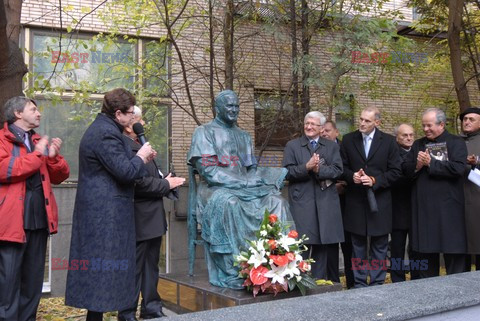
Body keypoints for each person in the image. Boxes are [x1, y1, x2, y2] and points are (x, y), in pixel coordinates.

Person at [65, 88, 156, 320]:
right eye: (130, 112)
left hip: (104, 214)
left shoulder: (106, 129)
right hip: (104, 215)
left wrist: (140, 157)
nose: (133, 117)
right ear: (118, 113)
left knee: (102, 276)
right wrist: (141, 157)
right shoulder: (105, 133)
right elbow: (125, 172)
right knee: (101, 274)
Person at [187, 90, 292, 289]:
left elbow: (251, 169)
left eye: (236, 106)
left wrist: (267, 177)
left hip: (246, 189)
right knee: (230, 203)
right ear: (217, 108)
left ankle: (279, 264)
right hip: (214, 189)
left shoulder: (243, 136)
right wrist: (243, 183)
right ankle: (236, 268)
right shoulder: (204, 132)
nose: (234, 110)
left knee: (277, 201)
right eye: (229, 106)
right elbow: (209, 172)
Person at [0, 96, 70, 321]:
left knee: (33, 281)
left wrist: (53, 157)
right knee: (7, 283)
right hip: (11, 222)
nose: (39, 113)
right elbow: (6, 170)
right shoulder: (2, 140)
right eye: (33, 109)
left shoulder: (39, 140)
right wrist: (39, 154)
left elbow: (61, 176)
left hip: (39, 218)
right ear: (18, 114)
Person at [117, 107, 185, 321]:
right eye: (138, 119)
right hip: (138, 217)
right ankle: (127, 312)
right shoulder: (124, 147)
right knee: (135, 268)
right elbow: (137, 183)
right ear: (128, 124)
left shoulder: (141, 145)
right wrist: (166, 183)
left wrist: (165, 178)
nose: (143, 123)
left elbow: (150, 177)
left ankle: (151, 307)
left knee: (151, 266)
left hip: (153, 217)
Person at [340, 107, 402, 288]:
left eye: (367, 121)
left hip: (380, 203)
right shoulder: (349, 139)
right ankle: (359, 284)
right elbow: (341, 167)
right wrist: (352, 176)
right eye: (361, 119)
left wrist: (375, 179)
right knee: (357, 247)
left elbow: (396, 171)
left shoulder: (389, 142)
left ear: (377, 122)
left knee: (380, 247)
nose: (362, 123)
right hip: (356, 202)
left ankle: (377, 283)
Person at [403, 108, 467, 278]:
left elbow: (459, 168)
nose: (425, 129)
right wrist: (417, 165)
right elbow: (405, 171)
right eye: (423, 126)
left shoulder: (456, 142)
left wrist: (431, 163)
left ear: (441, 124)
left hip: (449, 209)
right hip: (423, 211)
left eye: (429, 125)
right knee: (425, 259)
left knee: (454, 258)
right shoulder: (418, 144)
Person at [283, 113, 344, 280]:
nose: (309, 127)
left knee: (322, 247)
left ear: (321, 128)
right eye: (306, 123)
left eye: (313, 124)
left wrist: (319, 170)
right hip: (302, 203)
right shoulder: (293, 146)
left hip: (325, 204)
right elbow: (286, 172)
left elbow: (338, 170)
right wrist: (306, 167)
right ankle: (299, 285)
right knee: (301, 247)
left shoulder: (331, 147)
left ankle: (319, 285)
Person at [390, 123, 415, 282]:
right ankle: (398, 280)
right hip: (397, 207)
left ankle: (418, 277)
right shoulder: (392, 153)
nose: (409, 138)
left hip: (416, 208)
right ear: (396, 137)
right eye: (404, 135)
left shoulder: (419, 151)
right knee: (397, 247)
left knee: (415, 248)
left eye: (411, 135)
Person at [459, 108, 480, 271]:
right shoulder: (454, 141)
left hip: (477, 200)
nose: (466, 122)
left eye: (471, 119)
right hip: (457, 200)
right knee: (460, 249)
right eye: (465, 119)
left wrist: (476, 163)